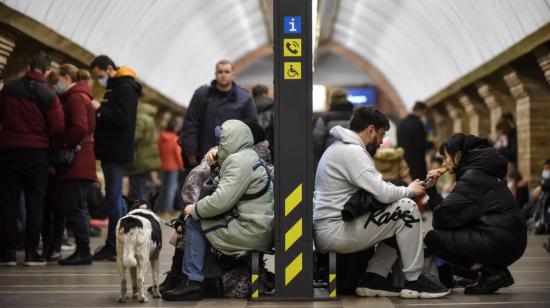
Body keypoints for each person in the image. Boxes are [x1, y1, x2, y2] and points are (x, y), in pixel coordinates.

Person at [313, 106, 449, 299]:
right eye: (381, 134)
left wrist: (407, 190)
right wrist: (410, 190)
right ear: (370, 130)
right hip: (335, 231)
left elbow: (378, 192)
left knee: (395, 215)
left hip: (332, 227)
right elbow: (382, 193)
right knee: (406, 208)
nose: (382, 141)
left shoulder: (339, 147)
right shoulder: (352, 152)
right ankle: (414, 281)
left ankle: (373, 278)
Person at [162, 120, 274, 301]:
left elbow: (222, 200)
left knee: (193, 221)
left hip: (250, 230)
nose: (220, 143)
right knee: (197, 220)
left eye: (223, 140)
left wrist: (195, 209)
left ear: (233, 139)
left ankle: (193, 282)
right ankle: (203, 280)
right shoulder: (246, 157)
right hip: (256, 225)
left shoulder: (239, 162)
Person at [424, 133, 527, 295]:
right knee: (447, 239)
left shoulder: (472, 177)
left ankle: (492, 273)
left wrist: (431, 192)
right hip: (507, 239)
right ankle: (491, 272)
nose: (444, 163)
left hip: (499, 241)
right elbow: (453, 217)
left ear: (458, 156)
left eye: (446, 157)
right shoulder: (480, 172)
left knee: (433, 238)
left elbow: (443, 219)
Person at [0, 51, 65, 266]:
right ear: (47, 71)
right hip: (37, 154)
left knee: (8, 201)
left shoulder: (8, 88)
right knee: (35, 202)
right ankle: (31, 253)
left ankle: (7, 253)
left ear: (29, 65)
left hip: (9, 150)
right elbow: (57, 127)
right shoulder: (48, 95)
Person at [89, 55, 141, 260]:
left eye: (99, 75)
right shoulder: (118, 86)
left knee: (113, 197)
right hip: (112, 149)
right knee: (115, 197)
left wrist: (99, 108)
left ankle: (115, 245)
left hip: (115, 150)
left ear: (109, 68)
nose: (98, 79)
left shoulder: (125, 88)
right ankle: (118, 242)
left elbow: (122, 118)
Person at [50, 64, 97, 265]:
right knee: (78, 206)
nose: (56, 84)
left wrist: (63, 143)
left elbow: (79, 127)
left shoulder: (76, 97)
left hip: (77, 161)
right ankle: (82, 249)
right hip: (83, 159)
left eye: (57, 79)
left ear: (67, 76)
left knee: (75, 207)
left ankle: (83, 251)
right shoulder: (82, 95)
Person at [180, 59, 257, 169]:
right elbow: (191, 123)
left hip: (233, 157)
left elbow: (252, 128)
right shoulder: (202, 95)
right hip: (203, 156)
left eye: (227, 72)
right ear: (216, 74)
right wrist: (190, 152)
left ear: (233, 74)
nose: (223, 75)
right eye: (220, 72)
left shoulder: (244, 98)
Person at [125, 102, 161, 200]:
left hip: (139, 159)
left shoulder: (140, 118)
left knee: (137, 191)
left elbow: (135, 137)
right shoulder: (149, 119)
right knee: (140, 188)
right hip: (146, 159)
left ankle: (141, 211)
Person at [313, 89, 354, 164]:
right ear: (346, 99)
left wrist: (321, 157)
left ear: (332, 100)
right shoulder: (354, 117)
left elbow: (317, 140)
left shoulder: (325, 118)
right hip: (352, 156)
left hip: (330, 157)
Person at [397, 101, 432, 181]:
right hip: (417, 163)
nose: (423, 115)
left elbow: (399, 145)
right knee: (419, 185)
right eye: (424, 112)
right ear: (421, 111)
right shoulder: (418, 123)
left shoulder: (402, 123)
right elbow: (421, 144)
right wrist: (432, 144)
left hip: (404, 163)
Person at [157, 119, 184, 219]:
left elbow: (158, 150)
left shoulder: (161, 137)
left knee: (164, 188)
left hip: (163, 165)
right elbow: (178, 155)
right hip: (174, 167)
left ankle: (161, 209)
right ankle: (167, 210)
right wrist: (181, 165)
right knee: (170, 190)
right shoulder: (174, 139)